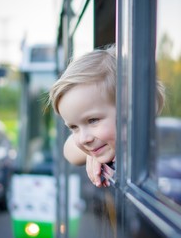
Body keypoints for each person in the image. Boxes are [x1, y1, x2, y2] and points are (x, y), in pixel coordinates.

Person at [49, 45, 165, 187]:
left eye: (92, 120)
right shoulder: (101, 143)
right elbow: (68, 150)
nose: (84, 139)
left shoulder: (154, 148)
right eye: (74, 127)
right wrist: (90, 154)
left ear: (129, 110)